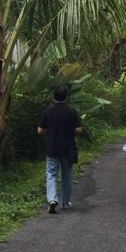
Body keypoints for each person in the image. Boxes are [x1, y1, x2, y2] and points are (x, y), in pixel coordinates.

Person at [37, 85, 83, 214]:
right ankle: (65, 204)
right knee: (66, 175)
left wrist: (49, 130)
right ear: (66, 97)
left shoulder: (47, 111)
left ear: (54, 97)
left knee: (51, 174)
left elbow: (39, 130)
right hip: (68, 148)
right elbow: (79, 129)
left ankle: (52, 199)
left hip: (52, 147)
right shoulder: (71, 111)